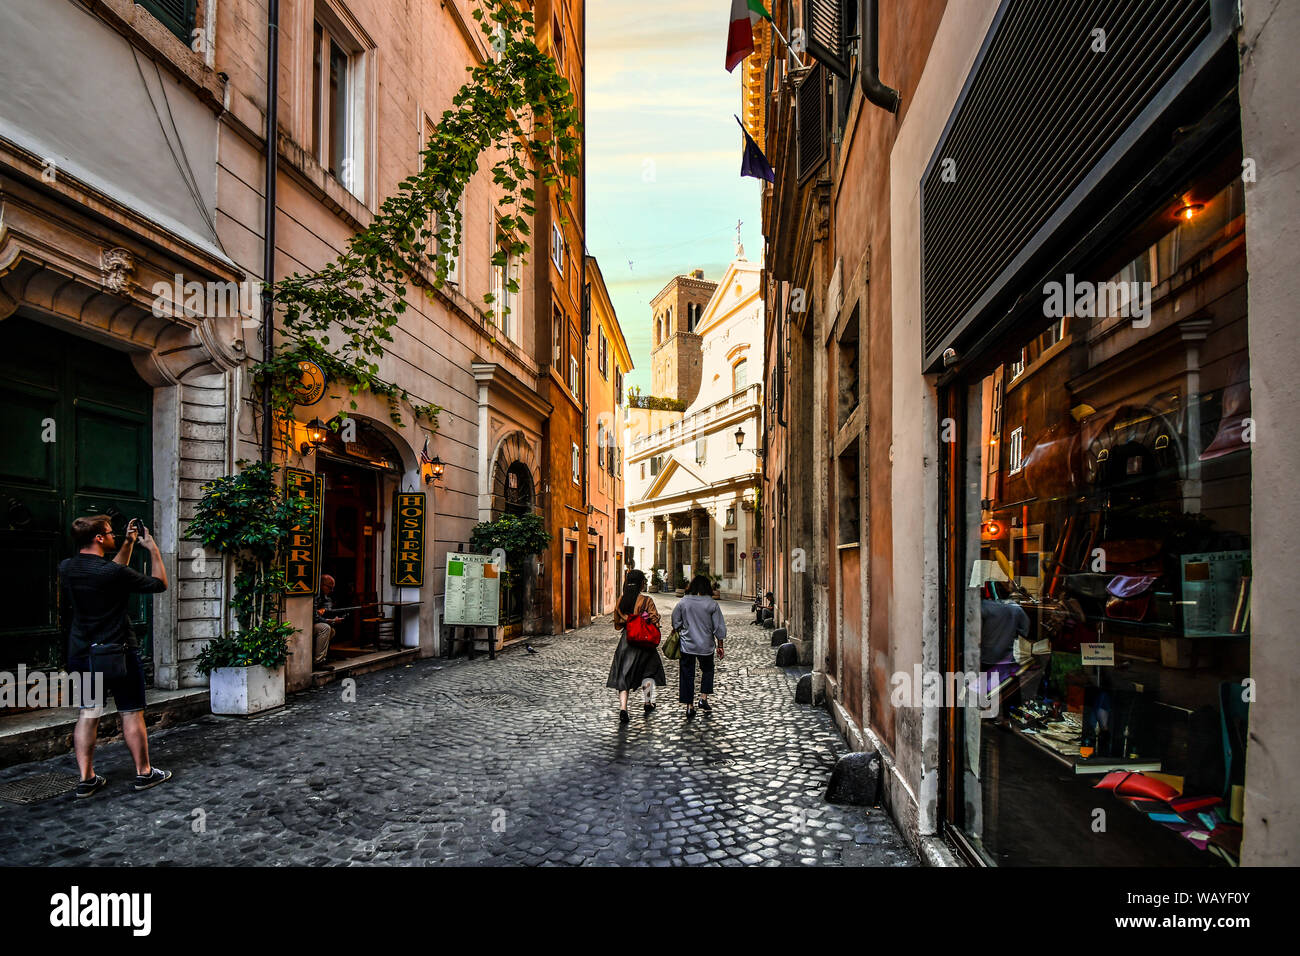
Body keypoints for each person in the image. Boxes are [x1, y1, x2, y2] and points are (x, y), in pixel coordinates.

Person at [59, 515, 170, 797]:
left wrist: (130, 543)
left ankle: (86, 779)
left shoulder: (67, 568)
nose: (113, 537)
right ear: (98, 538)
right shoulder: (113, 574)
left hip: (83, 654)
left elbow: (107, 572)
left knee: (88, 713)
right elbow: (159, 583)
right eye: (110, 533)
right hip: (118, 652)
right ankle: (144, 773)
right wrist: (152, 548)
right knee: (131, 711)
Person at [608, 569, 666, 724]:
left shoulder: (621, 600)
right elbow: (655, 619)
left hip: (627, 641)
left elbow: (618, 625)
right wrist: (643, 618)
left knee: (623, 674)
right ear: (641, 584)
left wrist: (630, 621)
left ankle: (623, 708)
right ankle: (647, 703)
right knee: (648, 671)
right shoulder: (646, 600)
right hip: (644, 641)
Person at [672, 574, 727, 719]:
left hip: (687, 645)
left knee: (687, 674)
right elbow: (719, 627)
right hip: (706, 646)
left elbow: (675, 621)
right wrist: (720, 645)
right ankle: (703, 698)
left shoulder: (684, 602)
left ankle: (689, 706)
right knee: (708, 670)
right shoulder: (712, 604)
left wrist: (682, 628)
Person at [313, 574, 344, 667]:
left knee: (332, 631)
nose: (331, 590)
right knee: (325, 628)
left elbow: (328, 609)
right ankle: (319, 662)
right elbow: (314, 616)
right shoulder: (316, 594)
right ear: (322, 585)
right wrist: (328, 621)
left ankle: (323, 655)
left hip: (314, 622)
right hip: (306, 624)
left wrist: (332, 618)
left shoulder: (324, 596)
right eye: (330, 587)